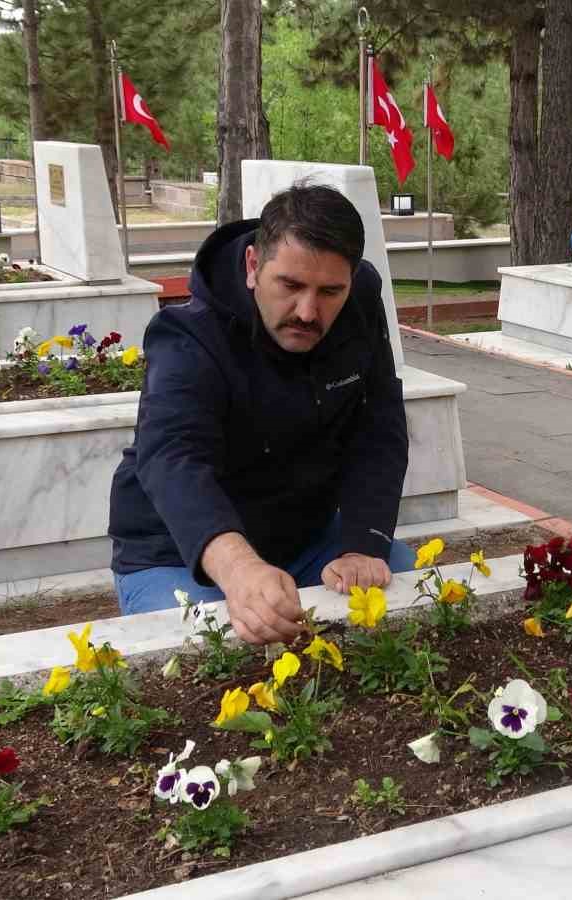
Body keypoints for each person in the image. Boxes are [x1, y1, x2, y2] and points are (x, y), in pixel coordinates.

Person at [108, 183, 416, 643]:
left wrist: (361, 545)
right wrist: (239, 569)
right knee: (220, 649)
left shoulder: (361, 298)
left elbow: (380, 424)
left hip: (305, 538)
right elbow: (171, 456)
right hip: (179, 552)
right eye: (290, 286)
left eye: (331, 291)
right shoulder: (186, 335)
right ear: (254, 265)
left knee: (404, 590)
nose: (308, 312)